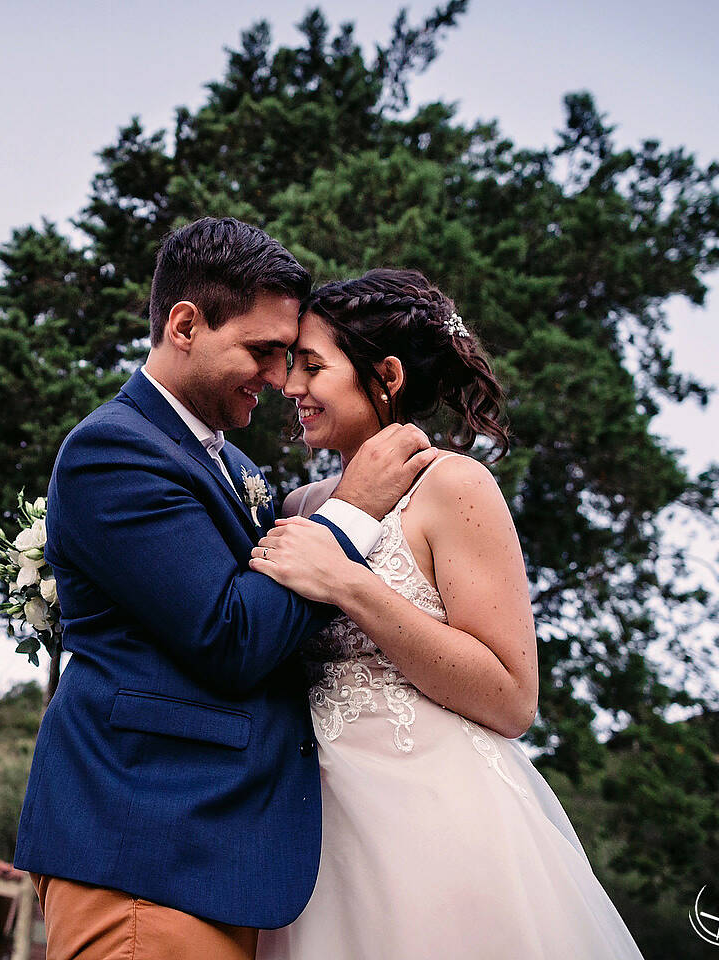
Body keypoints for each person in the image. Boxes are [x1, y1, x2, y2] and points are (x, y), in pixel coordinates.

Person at [13, 220, 436, 960]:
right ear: (185, 325)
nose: (278, 377)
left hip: (219, 853)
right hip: (147, 847)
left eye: (288, 354)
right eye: (262, 350)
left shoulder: (233, 465)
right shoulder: (113, 450)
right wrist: (353, 509)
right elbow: (232, 636)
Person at [252, 269, 645, 960]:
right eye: (290, 366)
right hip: (319, 838)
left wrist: (349, 583)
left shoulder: (454, 485)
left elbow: (511, 697)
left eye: (312, 366)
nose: (290, 386)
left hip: (438, 822)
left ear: (387, 375)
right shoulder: (298, 508)